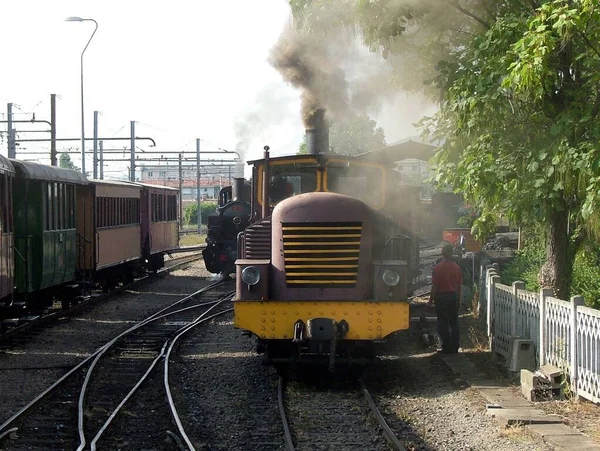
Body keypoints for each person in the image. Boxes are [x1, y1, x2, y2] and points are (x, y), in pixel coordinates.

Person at [428, 243, 462, 354]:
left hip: (441, 297)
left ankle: (446, 347)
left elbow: (435, 286)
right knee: (454, 323)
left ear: (442, 253)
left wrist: (430, 301)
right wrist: (459, 300)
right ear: (452, 254)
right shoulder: (457, 268)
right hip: (453, 297)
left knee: (442, 323)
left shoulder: (437, 268)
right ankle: (455, 347)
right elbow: (459, 286)